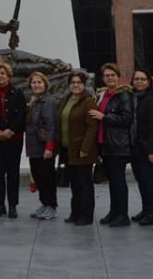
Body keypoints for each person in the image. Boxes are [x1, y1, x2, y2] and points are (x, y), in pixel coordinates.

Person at [89, 62, 133, 228]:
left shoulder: (124, 95)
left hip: (118, 145)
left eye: (112, 75)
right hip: (104, 143)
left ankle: (122, 214)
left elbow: (126, 119)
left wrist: (104, 117)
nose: (110, 78)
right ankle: (114, 211)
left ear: (118, 77)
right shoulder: (103, 95)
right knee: (112, 181)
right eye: (107, 76)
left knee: (118, 181)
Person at [58, 70, 98, 226]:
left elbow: (92, 127)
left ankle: (86, 215)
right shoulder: (67, 99)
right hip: (68, 150)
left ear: (84, 84)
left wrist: (85, 148)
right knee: (74, 184)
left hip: (82, 150)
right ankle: (75, 213)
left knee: (84, 185)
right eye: (72, 82)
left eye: (78, 83)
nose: (75, 85)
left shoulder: (88, 101)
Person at [0, 61, 26, 219]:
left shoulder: (18, 93)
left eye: (3, 73)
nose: (0, 76)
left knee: (13, 172)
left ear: (9, 76)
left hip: (13, 139)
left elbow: (22, 114)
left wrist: (11, 130)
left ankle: (12, 205)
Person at [129, 69, 153, 225]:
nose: (139, 81)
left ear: (148, 82)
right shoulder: (133, 98)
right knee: (141, 180)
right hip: (135, 146)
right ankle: (145, 209)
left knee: (148, 180)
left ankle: (152, 212)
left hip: (147, 148)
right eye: (137, 79)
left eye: (143, 79)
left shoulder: (151, 100)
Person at [25, 71, 58, 220]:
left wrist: (49, 147)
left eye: (39, 82)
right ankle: (44, 203)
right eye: (34, 82)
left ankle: (51, 206)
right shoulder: (33, 101)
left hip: (44, 147)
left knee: (47, 177)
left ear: (45, 84)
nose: (36, 85)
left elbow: (51, 125)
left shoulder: (49, 102)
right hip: (33, 147)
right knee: (38, 177)